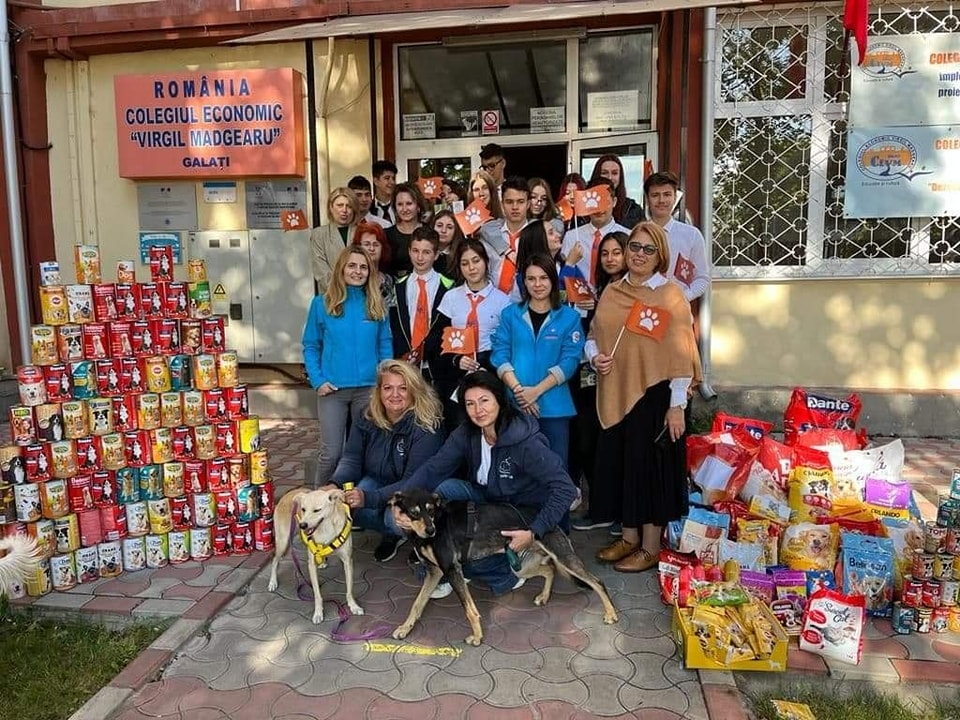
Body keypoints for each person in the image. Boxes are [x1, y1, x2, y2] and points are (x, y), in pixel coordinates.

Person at [395, 370, 577, 597]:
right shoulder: (468, 432)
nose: (478, 410)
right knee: (445, 492)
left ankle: (507, 574)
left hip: (521, 512)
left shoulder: (526, 442)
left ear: (500, 400)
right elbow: (435, 467)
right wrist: (402, 500)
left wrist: (535, 531)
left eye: (484, 401)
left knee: (471, 559)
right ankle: (446, 564)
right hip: (488, 501)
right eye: (470, 404)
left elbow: (566, 488)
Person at [587, 222, 702, 572]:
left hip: (656, 396)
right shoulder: (613, 290)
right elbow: (595, 333)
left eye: (648, 249)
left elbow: (682, 355)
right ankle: (629, 537)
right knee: (624, 466)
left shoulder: (670, 295)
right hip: (617, 389)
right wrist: (595, 356)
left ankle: (651, 547)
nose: (639, 254)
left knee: (648, 470)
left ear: (660, 256)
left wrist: (677, 406)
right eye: (634, 247)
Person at [333, 360, 445, 562]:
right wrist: (334, 483)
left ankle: (421, 542)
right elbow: (351, 458)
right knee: (348, 508)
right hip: (378, 481)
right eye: (388, 388)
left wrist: (368, 498)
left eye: (403, 388)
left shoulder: (427, 425)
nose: (395, 395)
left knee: (393, 520)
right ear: (378, 391)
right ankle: (396, 534)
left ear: (414, 391)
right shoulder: (366, 415)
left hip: (415, 492)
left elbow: (414, 481)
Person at [302, 246, 393, 487]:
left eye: (363, 267)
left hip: (368, 390)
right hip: (333, 390)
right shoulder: (322, 304)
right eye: (352, 266)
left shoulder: (376, 304)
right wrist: (318, 380)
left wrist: (384, 380)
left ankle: (352, 506)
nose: (358, 271)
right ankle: (317, 504)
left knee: (362, 452)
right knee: (332, 452)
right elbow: (311, 345)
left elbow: (385, 344)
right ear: (341, 269)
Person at [491, 254, 584, 468]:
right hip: (516, 404)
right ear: (523, 282)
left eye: (543, 278)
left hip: (554, 406)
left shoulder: (569, 317)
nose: (538, 284)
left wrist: (536, 391)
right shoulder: (510, 315)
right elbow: (500, 354)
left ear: (552, 280)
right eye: (531, 279)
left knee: (555, 466)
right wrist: (519, 391)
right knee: (516, 466)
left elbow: (570, 361)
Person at [569, 230, 628, 530]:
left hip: (624, 379)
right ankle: (600, 507)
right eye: (605, 254)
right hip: (593, 374)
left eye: (616, 252)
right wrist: (593, 356)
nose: (610, 258)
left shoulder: (635, 290)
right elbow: (591, 333)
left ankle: (621, 512)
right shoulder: (596, 290)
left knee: (617, 444)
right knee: (588, 440)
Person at [427, 238, 511, 432]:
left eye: (476, 261)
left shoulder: (502, 301)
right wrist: (456, 360)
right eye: (465, 263)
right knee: (458, 431)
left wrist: (486, 364)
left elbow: (506, 345)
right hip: (456, 376)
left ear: (485, 261)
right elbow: (436, 342)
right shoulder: (451, 298)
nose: (471, 268)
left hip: (489, 373)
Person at [390, 226, 454, 378]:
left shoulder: (448, 287)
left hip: (437, 365)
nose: (419, 258)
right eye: (415, 251)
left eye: (426, 252)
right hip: (405, 364)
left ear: (436, 254)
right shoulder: (398, 287)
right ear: (409, 251)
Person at [644, 171, 710, 308]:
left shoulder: (691, 235)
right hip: (643, 308)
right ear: (647, 199)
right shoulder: (637, 235)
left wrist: (682, 298)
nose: (661, 200)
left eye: (667, 194)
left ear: (675, 198)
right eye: (655, 195)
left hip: (678, 311)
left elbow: (702, 278)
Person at [560, 178, 629, 305]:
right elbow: (564, 278)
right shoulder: (572, 236)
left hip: (614, 303)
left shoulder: (628, 236)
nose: (599, 208)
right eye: (594, 201)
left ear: (614, 202)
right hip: (579, 307)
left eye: (604, 202)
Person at [479, 176, 530, 301]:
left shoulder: (537, 234)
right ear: (502, 204)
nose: (515, 207)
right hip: (489, 303)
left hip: (524, 304)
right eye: (509, 202)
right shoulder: (489, 235)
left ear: (528, 204)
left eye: (520, 201)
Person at [311, 187, 360, 293]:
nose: (344, 210)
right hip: (331, 295)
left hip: (359, 295)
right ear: (331, 207)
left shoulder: (362, 231)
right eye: (340, 205)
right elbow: (321, 272)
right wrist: (340, 292)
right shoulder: (319, 235)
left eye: (349, 206)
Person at [589, 154, 644, 230]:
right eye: (604, 173)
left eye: (614, 173)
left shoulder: (633, 209)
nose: (610, 177)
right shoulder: (584, 207)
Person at [385, 182, 426, 278]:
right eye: (400, 204)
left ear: (418, 206)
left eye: (409, 203)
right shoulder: (386, 235)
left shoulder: (430, 232)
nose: (404, 209)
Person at [354, 222, 396, 306]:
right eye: (367, 244)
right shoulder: (352, 279)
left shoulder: (389, 281)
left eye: (376, 244)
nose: (371, 248)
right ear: (358, 247)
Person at [432, 209, 464, 277]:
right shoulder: (423, 252)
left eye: (449, 227)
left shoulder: (461, 254)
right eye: (439, 226)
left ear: (455, 231)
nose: (443, 230)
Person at [371, 160, 398, 224]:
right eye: (387, 178)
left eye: (393, 178)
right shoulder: (369, 209)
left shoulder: (399, 207)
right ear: (376, 181)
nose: (392, 182)